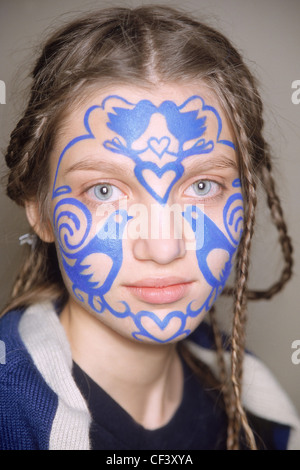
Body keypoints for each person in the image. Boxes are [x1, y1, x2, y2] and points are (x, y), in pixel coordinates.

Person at [0, 5, 299, 451]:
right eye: (104, 191)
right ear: (39, 212)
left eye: (202, 186)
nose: (163, 246)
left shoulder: (260, 414)